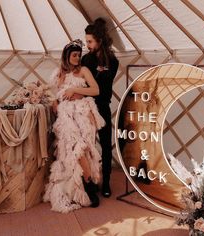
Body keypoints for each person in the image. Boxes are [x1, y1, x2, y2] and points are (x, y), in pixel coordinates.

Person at [43, 40, 105, 213]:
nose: (78, 58)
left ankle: (89, 184)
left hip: (82, 113)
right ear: (66, 56)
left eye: (79, 55)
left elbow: (95, 90)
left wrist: (76, 92)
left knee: (83, 148)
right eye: (74, 55)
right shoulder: (59, 73)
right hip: (65, 115)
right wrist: (55, 101)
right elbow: (55, 93)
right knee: (72, 147)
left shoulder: (83, 70)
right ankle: (87, 185)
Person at [81, 18, 119, 197]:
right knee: (87, 144)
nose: (87, 45)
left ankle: (106, 183)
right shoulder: (85, 59)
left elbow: (103, 87)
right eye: (86, 41)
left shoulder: (112, 61)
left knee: (105, 144)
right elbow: (83, 83)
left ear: (99, 41)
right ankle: (90, 180)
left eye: (90, 41)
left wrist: (93, 83)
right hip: (86, 107)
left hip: (102, 106)